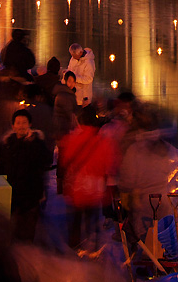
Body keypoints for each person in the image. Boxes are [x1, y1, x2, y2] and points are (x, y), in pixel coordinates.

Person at [118, 104, 178, 240]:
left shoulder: (135, 149)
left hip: (143, 200)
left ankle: (143, 257)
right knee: (162, 237)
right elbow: (168, 169)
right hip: (163, 197)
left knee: (143, 237)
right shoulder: (162, 147)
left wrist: (125, 191)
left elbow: (128, 177)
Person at [57, 104, 115, 251]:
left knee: (75, 220)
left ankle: (74, 246)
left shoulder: (73, 138)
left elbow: (64, 160)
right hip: (94, 189)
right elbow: (109, 164)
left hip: (77, 187)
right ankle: (92, 247)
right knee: (92, 219)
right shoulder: (103, 140)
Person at [0, 108, 51, 242]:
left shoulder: (37, 142)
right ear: (13, 126)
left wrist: (34, 144)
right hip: (10, 197)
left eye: (24, 122)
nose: (21, 126)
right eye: (18, 123)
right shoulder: (6, 144)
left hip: (30, 197)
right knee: (10, 234)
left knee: (27, 234)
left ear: (30, 124)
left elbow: (47, 161)